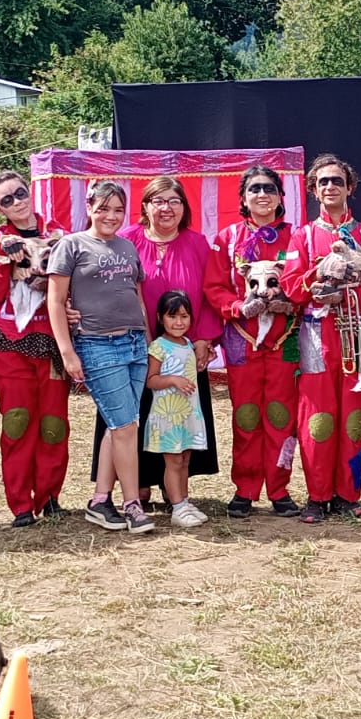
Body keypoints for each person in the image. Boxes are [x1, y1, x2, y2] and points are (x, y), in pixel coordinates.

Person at [89, 176, 222, 510]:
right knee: (134, 414)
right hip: (131, 347)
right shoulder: (125, 240)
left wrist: (204, 338)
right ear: (145, 206)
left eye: (174, 201)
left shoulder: (198, 243)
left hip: (183, 351)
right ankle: (138, 483)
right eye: (158, 201)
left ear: (184, 207)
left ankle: (171, 484)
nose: (166, 208)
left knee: (174, 414)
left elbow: (211, 293)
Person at [282, 154, 361, 523]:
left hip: (358, 332)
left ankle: (347, 494)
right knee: (318, 418)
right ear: (314, 190)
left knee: (355, 417)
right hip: (317, 335)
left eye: (337, 181)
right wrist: (316, 277)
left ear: (350, 188)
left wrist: (344, 295)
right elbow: (292, 287)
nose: (330, 187)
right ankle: (317, 495)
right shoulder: (303, 236)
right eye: (323, 182)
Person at [47, 181, 154, 534]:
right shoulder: (71, 245)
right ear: (90, 208)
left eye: (118, 209)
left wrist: (148, 341)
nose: (111, 216)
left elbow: (137, 295)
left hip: (135, 344)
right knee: (125, 427)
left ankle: (99, 500)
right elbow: (55, 301)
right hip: (97, 344)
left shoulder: (127, 246)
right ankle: (133, 504)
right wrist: (67, 352)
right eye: (103, 208)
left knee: (121, 422)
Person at [204, 164, 303, 518]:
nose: (262, 194)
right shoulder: (227, 238)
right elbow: (214, 286)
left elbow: (305, 280)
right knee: (246, 415)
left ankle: (280, 488)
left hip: (285, 339)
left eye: (269, 188)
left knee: (281, 416)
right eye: (254, 189)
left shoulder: (297, 237)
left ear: (280, 196)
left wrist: (291, 301)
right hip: (241, 339)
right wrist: (237, 307)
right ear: (244, 198)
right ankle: (244, 489)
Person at [0, 170, 69, 528]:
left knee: (53, 422)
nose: (17, 202)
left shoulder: (58, 232)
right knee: (17, 420)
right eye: (7, 200)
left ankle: (50, 496)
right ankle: (20, 503)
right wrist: (7, 262)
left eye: (20, 193)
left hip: (52, 340)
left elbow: (77, 280)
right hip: (9, 343)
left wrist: (55, 285)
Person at [145, 290, 211, 528]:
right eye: (172, 316)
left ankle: (184, 501)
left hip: (188, 414)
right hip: (168, 416)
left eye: (184, 316)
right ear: (160, 317)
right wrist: (173, 380)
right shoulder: (158, 346)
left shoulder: (188, 344)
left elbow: (189, 371)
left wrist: (200, 364)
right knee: (173, 462)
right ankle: (177, 507)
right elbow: (151, 380)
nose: (179, 322)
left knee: (184, 461)